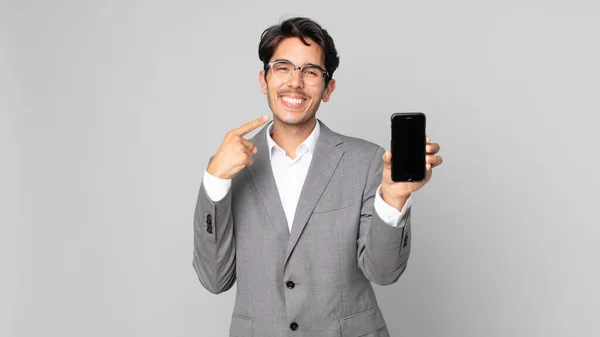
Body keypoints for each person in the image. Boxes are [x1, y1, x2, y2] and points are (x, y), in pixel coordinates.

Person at [193, 17, 443, 337]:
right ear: (264, 79)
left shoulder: (366, 161)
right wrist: (215, 180)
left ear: (327, 89)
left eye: (311, 72)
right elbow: (214, 279)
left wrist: (394, 199)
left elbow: (384, 273)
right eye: (283, 67)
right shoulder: (230, 166)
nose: (295, 82)